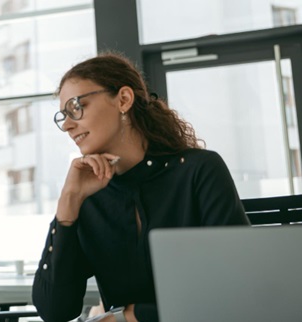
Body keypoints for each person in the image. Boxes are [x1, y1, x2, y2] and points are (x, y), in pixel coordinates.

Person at [33, 53, 250, 322]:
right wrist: (67, 204)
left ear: (123, 100)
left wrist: (131, 316)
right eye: (63, 115)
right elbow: (55, 311)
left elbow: (238, 290)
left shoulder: (199, 171)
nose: (67, 125)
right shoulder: (87, 196)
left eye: (77, 107)